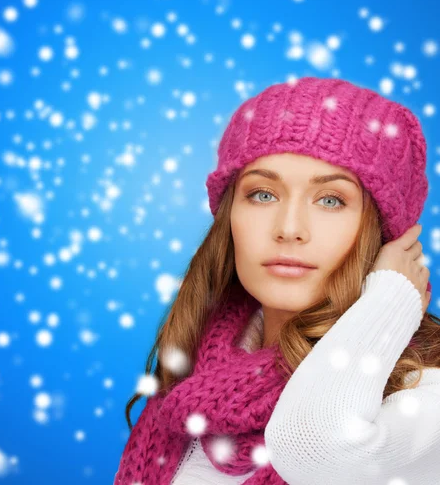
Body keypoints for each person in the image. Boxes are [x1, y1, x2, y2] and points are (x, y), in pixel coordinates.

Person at [114, 76, 440, 485]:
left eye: (331, 200)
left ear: (384, 235)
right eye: (263, 194)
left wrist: (389, 299)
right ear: (229, 216)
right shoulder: (190, 390)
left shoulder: (424, 399)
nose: (289, 228)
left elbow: (318, 451)